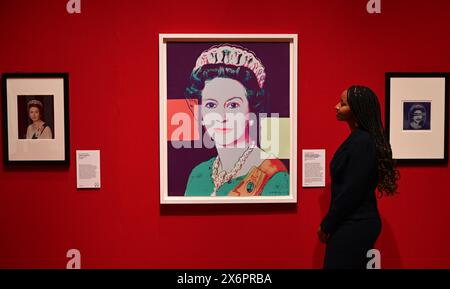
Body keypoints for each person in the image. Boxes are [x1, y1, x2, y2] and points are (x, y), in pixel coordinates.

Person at [183, 44, 289, 197]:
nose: (221, 116)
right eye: (211, 105)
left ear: (251, 110)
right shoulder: (197, 175)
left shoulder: (275, 176)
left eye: (233, 105)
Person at [317, 86, 400, 269]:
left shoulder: (362, 142)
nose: (336, 106)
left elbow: (350, 191)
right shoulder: (360, 139)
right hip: (354, 223)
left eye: (343, 104)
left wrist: (326, 225)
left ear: (356, 110)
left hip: (355, 225)